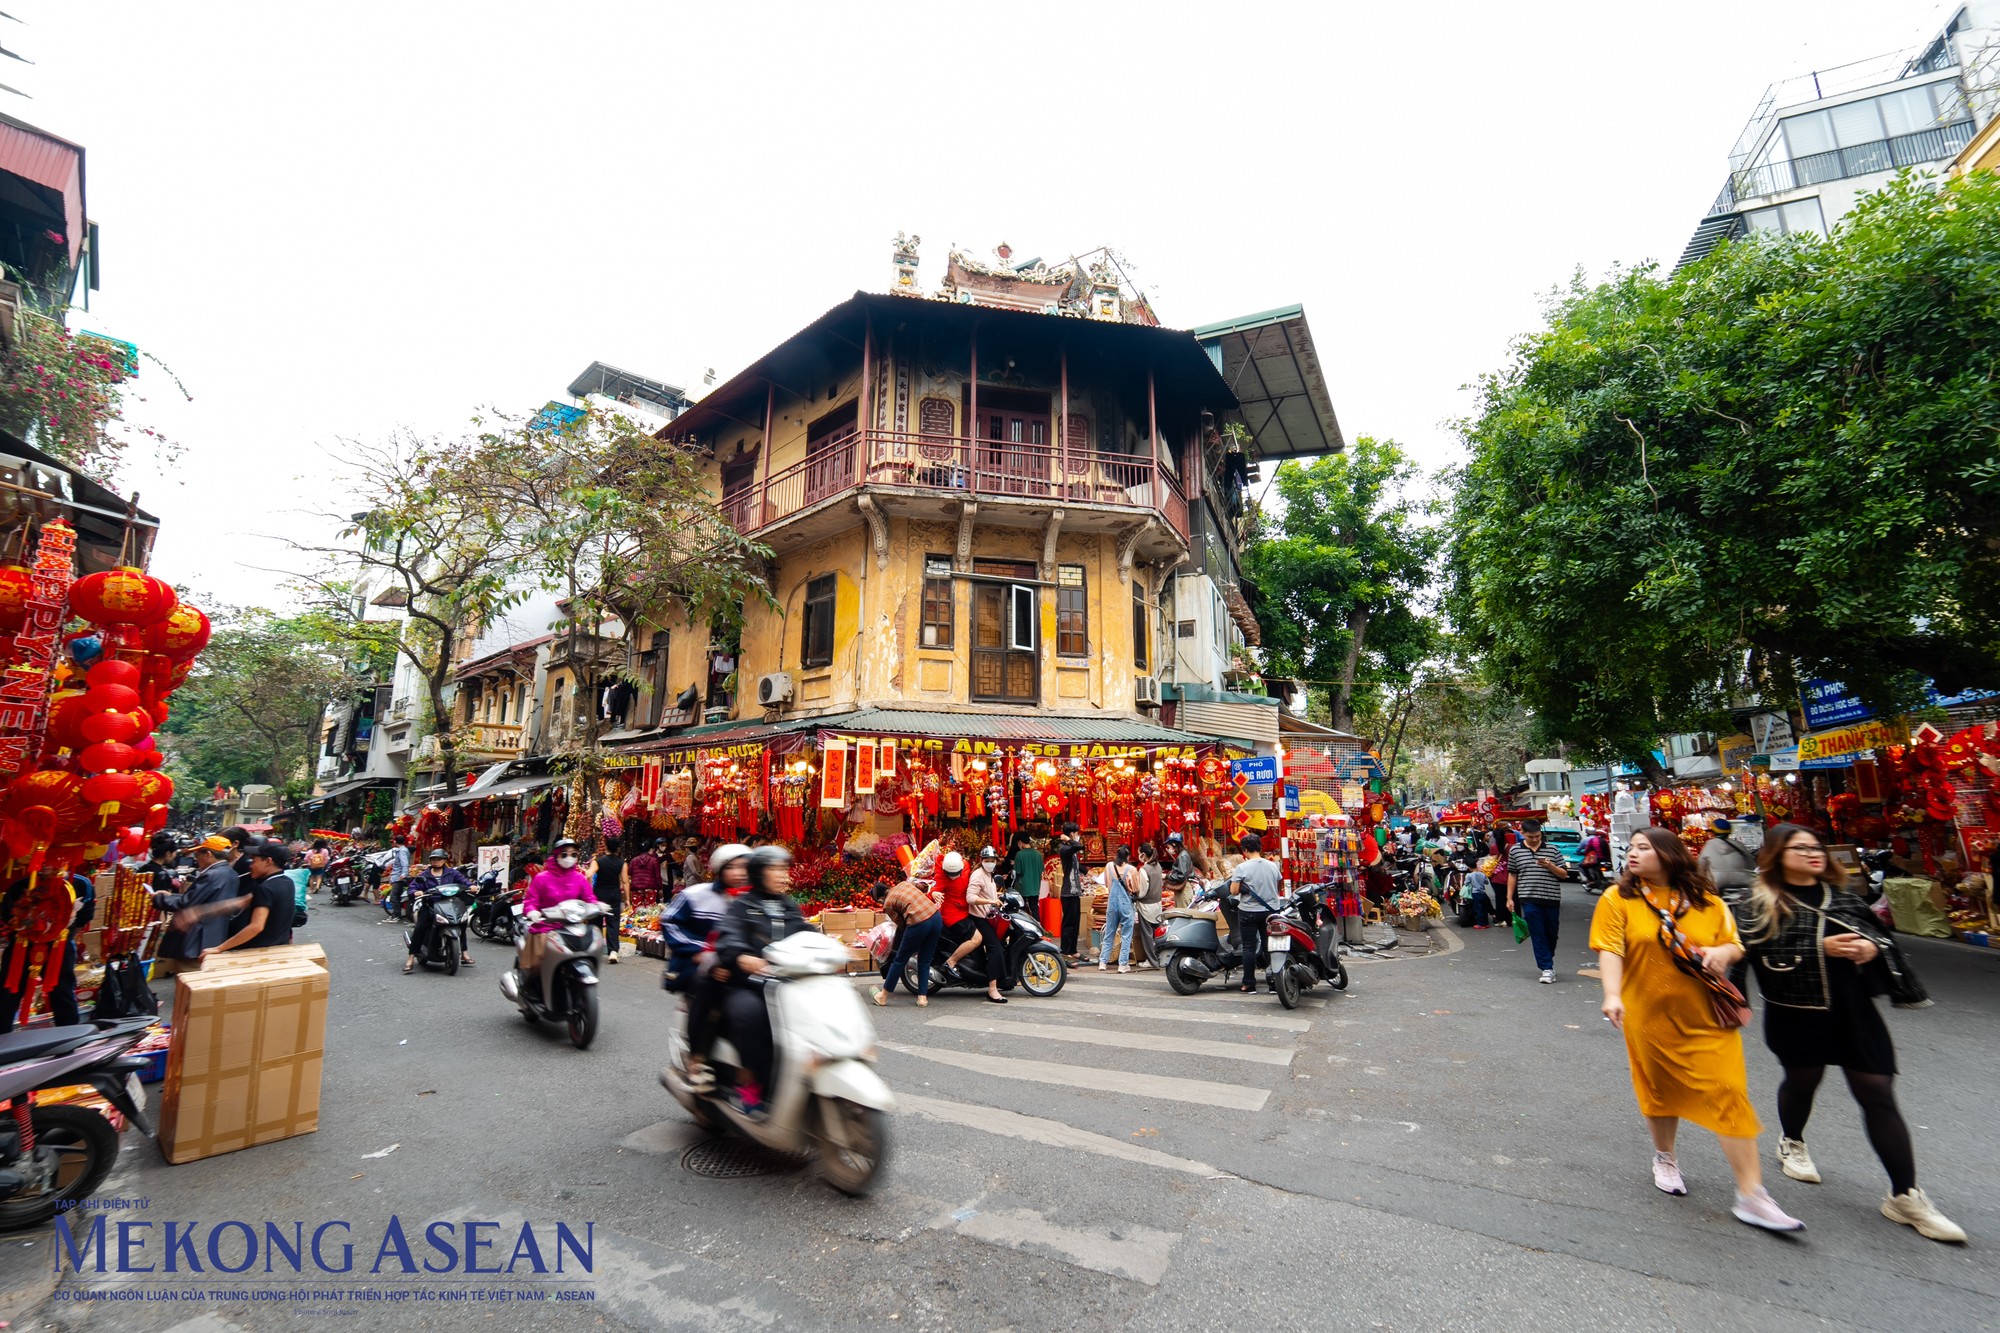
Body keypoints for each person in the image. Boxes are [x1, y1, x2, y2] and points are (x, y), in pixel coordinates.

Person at [1735, 824, 1965, 1243]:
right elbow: (1752, 950)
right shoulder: (1757, 901)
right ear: (1775, 855)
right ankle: (1792, 1141)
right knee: (1803, 1080)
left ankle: (1904, 1196)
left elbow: (1884, 940)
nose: (1812, 854)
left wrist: (1872, 949)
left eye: (1815, 847)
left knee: (1877, 1091)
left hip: (1855, 1010)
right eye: (1799, 848)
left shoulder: (1844, 898)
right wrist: (1816, 949)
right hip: (1796, 1011)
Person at [1591, 826, 1800, 1231]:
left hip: (1707, 1017)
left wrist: (1722, 952)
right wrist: (1612, 994)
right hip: (1648, 1016)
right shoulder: (1618, 899)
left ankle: (1752, 1194)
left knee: (1729, 1094)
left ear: (1670, 854)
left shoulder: (1707, 901)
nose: (1632, 854)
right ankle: (1665, 1156)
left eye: (1643, 848)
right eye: (1631, 848)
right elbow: (1610, 949)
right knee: (1659, 1090)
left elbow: (1735, 943)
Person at [711, 846, 811, 1115]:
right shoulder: (744, 904)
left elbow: (806, 932)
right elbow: (730, 937)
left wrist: (833, 948)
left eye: (784, 869)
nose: (782, 876)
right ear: (758, 873)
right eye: (774, 869)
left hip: (784, 983)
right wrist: (743, 957)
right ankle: (751, 1083)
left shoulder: (787, 905)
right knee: (752, 1016)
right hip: (748, 985)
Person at [673, 843, 752, 1092]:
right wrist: (700, 951)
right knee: (709, 992)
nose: (740, 872)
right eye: (733, 867)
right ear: (720, 869)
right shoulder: (697, 895)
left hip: (743, 970)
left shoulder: (755, 899)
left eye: (745, 867)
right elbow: (670, 922)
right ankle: (698, 1060)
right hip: (701, 968)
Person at [515, 837, 598, 996]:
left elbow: (589, 898)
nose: (570, 858)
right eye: (565, 854)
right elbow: (531, 901)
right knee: (537, 963)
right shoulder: (542, 878)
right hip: (545, 927)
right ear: (557, 855)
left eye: (574, 854)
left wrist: (596, 906)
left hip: (571, 927)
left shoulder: (579, 878)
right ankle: (530, 988)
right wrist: (533, 911)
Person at [151, 836, 241, 978]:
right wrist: (169, 896)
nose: (196, 858)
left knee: (188, 979)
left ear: (208, 854)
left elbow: (187, 903)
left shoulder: (212, 875)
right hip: (212, 936)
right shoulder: (230, 873)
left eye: (198, 854)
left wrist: (158, 898)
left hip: (196, 939)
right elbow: (198, 899)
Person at [936, 849, 1007, 1004]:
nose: (990, 863)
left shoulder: (974, 869)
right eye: (987, 860)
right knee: (986, 943)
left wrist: (996, 898)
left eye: (992, 860)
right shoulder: (974, 875)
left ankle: (990, 977)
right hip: (956, 914)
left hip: (971, 912)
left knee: (993, 944)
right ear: (981, 860)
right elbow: (970, 897)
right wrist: (933, 894)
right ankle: (991, 988)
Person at [1507, 820, 1572, 983]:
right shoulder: (1515, 851)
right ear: (1522, 833)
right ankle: (1547, 968)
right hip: (1528, 898)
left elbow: (1564, 874)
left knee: (1551, 934)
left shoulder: (1553, 850)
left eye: (1538, 836)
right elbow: (1512, 874)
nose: (1535, 839)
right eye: (1531, 836)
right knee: (1537, 933)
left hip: (1551, 898)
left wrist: (1550, 865)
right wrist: (1509, 898)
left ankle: (1547, 959)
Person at [207, 844, 297, 957]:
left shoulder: (265, 889)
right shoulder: (287, 882)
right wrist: (200, 912)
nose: (250, 866)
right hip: (279, 948)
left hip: (258, 953)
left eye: (254, 860)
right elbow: (243, 901)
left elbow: (256, 926)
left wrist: (219, 948)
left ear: (268, 861)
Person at [1228, 834, 1284, 994]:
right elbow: (1277, 884)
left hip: (1249, 912)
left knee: (1249, 947)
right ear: (1260, 848)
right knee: (1270, 946)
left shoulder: (1242, 868)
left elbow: (1233, 891)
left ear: (1245, 850)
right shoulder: (1273, 866)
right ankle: (1274, 983)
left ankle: (1249, 984)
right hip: (1271, 911)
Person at [874, 876, 943, 1008]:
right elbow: (921, 887)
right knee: (925, 960)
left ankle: (883, 996)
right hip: (936, 917)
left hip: (919, 922)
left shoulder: (887, 903)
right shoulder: (904, 884)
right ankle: (922, 998)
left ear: (880, 898)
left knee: (900, 960)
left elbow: (901, 924)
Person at [402, 848, 472, 974]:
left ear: (444, 860)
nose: (436, 862)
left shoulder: (452, 873)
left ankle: (464, 953)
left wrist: (471, 886)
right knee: (420, 928)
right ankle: (411, 958)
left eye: (438, 859)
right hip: (430, 905)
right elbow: (413, 887)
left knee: (461, 923)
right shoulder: (425, 875)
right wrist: (415, 892)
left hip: (450, 905)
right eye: (433, 859)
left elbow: (464, 881)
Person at [1098, 844, 1141, 973]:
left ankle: (1103, 962)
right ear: (1127, 856)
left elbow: (1106, 883)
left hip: (1112, 902)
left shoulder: (1109, 866)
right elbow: (1136, 888)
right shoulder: (1131, 869)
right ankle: (1122, 965)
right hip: (1125, 904)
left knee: (1109, 933)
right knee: (1126, 935)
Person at [1699, 818, 1760, 904]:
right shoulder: (1739, 845)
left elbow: (1701, 866)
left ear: (1712, 833)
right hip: (1743, 882)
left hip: (1717, 884)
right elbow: (1751, 865)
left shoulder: (1709, 844)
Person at [1054, 822, 1086, 961]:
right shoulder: (1064, 848)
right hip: (1068, 891)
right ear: (1071, 834)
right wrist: (1068, 839)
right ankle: (1065, 950)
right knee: (1068, 923)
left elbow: (1077, 865)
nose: (1078, 835)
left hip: (1075, 891)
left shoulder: (1070, 849)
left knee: (1075, 922)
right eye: (1076, 833)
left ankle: (1073, 949)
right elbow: (1078, 846)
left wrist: (1088, 872)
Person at [592, 839, 627, 963]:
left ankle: (595, 949)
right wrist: (627, 899)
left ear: (605, 847)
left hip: (598, 894)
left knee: (596, 922)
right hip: (614, 894)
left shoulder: (598, 861)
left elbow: (588, 874)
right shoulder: (621, 863)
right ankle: (613, 951)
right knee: (613, 922)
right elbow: (625, 881)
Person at [1132, 841, 1165, 968]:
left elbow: (1143, 891)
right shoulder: (1158, 866)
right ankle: (1160, 957)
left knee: (1147, 935)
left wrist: (1136, 896)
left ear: (1143, 854)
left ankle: (1151, 961)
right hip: (1157, 904)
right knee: (1158, 932)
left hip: (1146, 906)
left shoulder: (1144, 869)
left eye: (1139, 853)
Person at [628, 838, 665, 910]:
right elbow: (657, 876)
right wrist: (660, 888)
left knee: (637, 910)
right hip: (650, 888)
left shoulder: (634, 860)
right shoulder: (654, 860)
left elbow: (630, 873)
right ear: (650, 849)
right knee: (650, 911)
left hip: (637, 889)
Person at [1009, 830, 1044, 904]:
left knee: (1022, 908)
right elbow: (1041, 870)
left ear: (1020, 842)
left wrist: (1014, 864)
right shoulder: (1038, 854)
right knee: (1034, 907)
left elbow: (1017, 871)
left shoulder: (1019, 854)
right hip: (1035, 887)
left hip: (1022, 888)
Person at [383, 834, 413, 916]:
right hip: (397, 875)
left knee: (394, 897)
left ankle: (396, 915)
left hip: (398, 877)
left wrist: (403, 874)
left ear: (395, 842)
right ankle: (396, 914)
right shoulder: (403, 850)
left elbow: (404, 863)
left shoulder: (402, 851)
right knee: (397, 896)